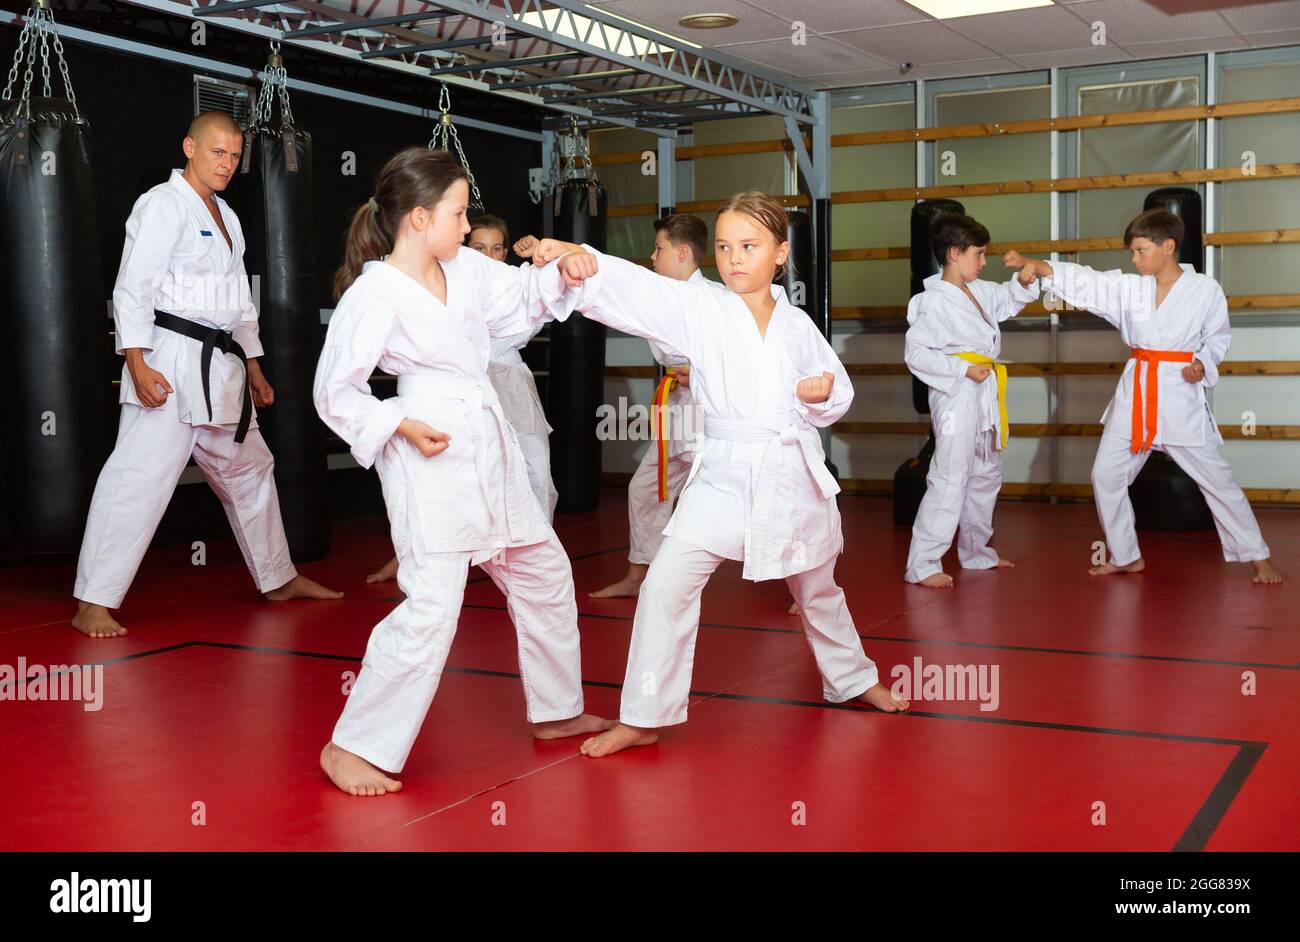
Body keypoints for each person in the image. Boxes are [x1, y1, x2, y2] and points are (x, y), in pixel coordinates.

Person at [531, 191, 910, 759]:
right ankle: (644, 714)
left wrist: (819, 395)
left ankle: (851, 678)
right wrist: (580, 257)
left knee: (817, 588)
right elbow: (638, 292)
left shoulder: (798, 324)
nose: (734, 259)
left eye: (750, 247)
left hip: (787, 471)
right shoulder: (701, 308)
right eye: (727, 247)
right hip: (723, 473)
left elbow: (837, 387)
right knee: (664, 585)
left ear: (781, 252)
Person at [314, 147, 610, 796]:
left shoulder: (467, 270)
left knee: (544, 574)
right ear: (419, 218)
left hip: (488, 439)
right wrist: (396, 423)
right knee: (430, 608)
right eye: (456, 211)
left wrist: (566, 268)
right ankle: (353, 746)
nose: (465, 221)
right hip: (429, 451)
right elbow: (335, 391)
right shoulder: (376, 292)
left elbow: (526, 295)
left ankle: (558, 711)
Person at [71, 111, 341, 639]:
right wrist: (136, 361)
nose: (228, 163)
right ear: (189, 147)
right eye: (218, 152)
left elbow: (239, 302)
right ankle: (92, 602)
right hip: (168, 361)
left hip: (222, 369)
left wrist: (255, 364)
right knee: (138, 479)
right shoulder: (161, 204)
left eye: (236, 155)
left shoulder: (227, 217)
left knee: (250, 471)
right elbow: (134, 286)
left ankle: (277, 578)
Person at [1005, 208, 1281, 584]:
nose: (1134, 260)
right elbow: (1089, 282)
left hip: (1179, 395)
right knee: (1106, 475)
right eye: (1132, 252)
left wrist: (1201, 363)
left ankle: (1258, 557)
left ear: (1168, 246)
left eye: (1140, 251)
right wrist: (1036, 266)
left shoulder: (1205, 290)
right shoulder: (1131, 289)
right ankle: (1126, 554)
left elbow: (1217, 338)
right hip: (1135, 395)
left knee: (1217, 481)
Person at [903, 212, 1039, 587]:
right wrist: (962, 369)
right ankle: (924, 563)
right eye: (977, 254)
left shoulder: (977, 291)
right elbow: (917, 355)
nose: (982, 262)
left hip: (984, 393)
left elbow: (1009, 298)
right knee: (949, 477)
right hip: (956, 394)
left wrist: (1025, 278)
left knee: (986, 474)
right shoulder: (932, 302)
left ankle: (976, 552)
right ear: (953, 253)